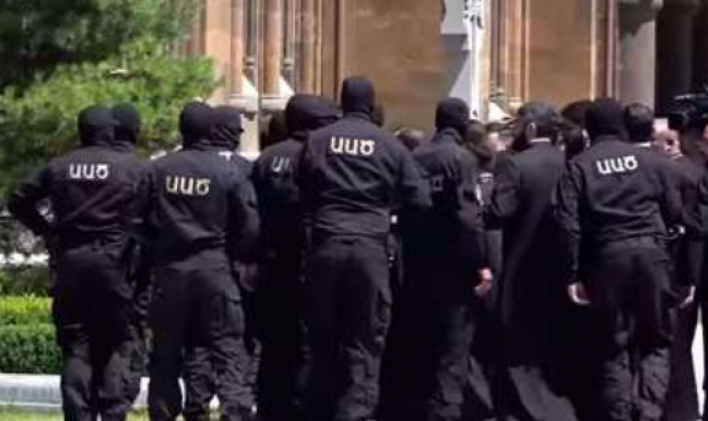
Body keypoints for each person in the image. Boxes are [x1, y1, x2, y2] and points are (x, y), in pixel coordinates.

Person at [298, 76, 430, 421]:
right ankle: (355, 413)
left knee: (322, 335)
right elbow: (419, 198)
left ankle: (319, 411)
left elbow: (300, 189)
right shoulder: (389, 145)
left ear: (341, 102)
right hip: (370, 247)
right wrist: (392, 223)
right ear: (371, 105)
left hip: (326, 244)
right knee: (366, 337)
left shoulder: (317, 140)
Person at [8, 105, 145, 421]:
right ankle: (112, 414)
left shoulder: (60, 166)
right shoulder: (131, 168)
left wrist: (47, 231)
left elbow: (18, 200)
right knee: (116, 343)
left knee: (76, 346)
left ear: (81, 131)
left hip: (70, 265)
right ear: (110, 131)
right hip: (114, 265)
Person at [555, 98, 683, 421]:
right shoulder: (652, 160)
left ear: (589, 129)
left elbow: (569, 224)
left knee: (613, 344)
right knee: (655, 341)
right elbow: (675, 212)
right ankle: (649, 413)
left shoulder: (579, 166)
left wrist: (573, 274)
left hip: (607, 258)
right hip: (652, 255)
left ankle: (619, 414)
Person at [144, 102, 260, 421]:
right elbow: (249, 226)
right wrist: (231, 253)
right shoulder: (227, 171)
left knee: (165, 358)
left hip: (170, 273)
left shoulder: (157, 170)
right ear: (211, 130)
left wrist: (158, 248)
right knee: (229, 351)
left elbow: (138, 220)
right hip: (215, 270)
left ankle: (164, 415)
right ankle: (235, 414)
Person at [251, 94, 341, 421]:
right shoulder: (320, 154)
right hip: (309, 262)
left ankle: (271, 410)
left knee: (274, 346)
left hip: (272, 264)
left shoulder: (267, 158)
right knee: (308, 345)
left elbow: (252, 212)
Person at [486, 101, 577, 421]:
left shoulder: (515, 165)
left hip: (522, 264)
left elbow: (499, 211)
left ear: (531, 128)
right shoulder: (570, 163)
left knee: (521, 343)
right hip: (563, 266)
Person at [404, 98, 488, 421]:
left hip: (417, 262)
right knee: (452, 348)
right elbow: (467, 218)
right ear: (463, 124)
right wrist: (481, 263)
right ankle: (445, 413)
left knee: (421, 344)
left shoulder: (416, 156)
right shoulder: (461, 158)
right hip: (453, 267)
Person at [652, 124, 703, 421]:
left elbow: (693, 228)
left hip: (678, 267)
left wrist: (689, 276)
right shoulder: (694, 171)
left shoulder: (677, 175)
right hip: (686, 268)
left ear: (670, 143)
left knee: (676, 339)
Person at [110, 103, 152, 409]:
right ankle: (117, 408)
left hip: (80, 267)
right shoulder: (143, 170)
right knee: (129, 341)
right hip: (133, 272)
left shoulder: (67, 165)